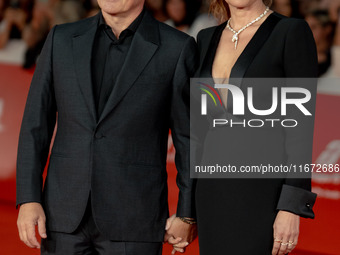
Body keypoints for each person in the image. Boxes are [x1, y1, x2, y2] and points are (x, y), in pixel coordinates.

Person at [16, 0, 198, 254]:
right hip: (63, 215)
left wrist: (187, 214)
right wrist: (29, 198)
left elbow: (189, 139)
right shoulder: (61, 38)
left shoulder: (176, 47)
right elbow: (35, 124)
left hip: (135, 218)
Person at [194, 0, 318, 254]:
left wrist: (291, 205)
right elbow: (199, 129)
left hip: (262, 192)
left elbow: (301, 127)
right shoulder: (205, 38)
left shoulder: (290, 32)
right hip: (211, 191)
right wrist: (186, 209)